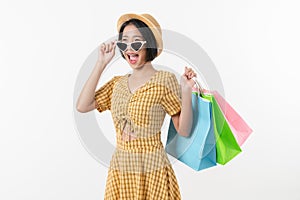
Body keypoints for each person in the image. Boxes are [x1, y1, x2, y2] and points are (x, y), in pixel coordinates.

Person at [76, 13, 197, 200]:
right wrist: (101, 64)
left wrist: (186, 92)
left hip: (153, 169)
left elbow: (184, 129)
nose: (129, 49)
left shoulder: (165, 80)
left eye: (136, 42)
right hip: (121, 170)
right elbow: (83, 105)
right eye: (124, 42)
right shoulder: (117, 84)